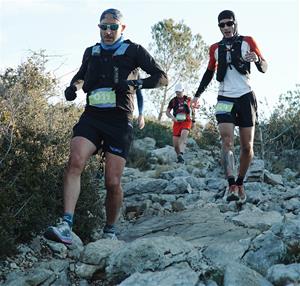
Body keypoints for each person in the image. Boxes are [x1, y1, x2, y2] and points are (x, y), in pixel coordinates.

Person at [44, 8, 168, 244]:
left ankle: (110, 230)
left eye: (113, 27)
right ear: (99, 28)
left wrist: (134, 83)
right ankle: (66, 225)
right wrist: (73, 88)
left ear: (122, 28)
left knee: (112, 182)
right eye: (104, 27)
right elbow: (80, 76)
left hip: (119, 121)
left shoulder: (134, 50)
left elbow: (162, 78)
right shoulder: (91, 52)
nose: (108, 31)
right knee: (75, 160)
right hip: (92, 116)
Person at [192, 10, 267, 204]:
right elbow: (209, 73)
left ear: (235, 24)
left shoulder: (248, 41)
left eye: (229, 23)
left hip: (245, 96)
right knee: (226, 141)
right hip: (224, 97)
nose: (226, 27)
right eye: (221, 25)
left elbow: (264, 67)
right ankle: (231, 183)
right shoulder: (215, 48)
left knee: (247, 146)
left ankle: (241, 183)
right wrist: (197, 95)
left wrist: (257, 60)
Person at [166, 83, 195, 164]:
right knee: (175, 144)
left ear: (183, 90)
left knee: (184, 135)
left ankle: (181, 154)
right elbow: (167, 112)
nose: (178, 93)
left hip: (186, 121)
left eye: (179, 91)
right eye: (176, 92)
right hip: (177, 122)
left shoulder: (188, 99)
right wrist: (172, 118)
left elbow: (193, 110)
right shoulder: (173, 101)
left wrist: (194, 121)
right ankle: (179, 157)